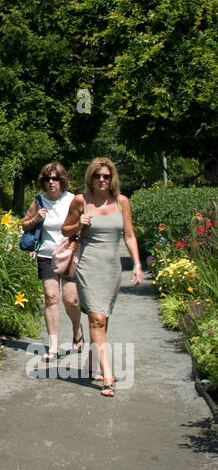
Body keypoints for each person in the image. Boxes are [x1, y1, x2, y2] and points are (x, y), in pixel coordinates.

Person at [61, 156, 142, 396]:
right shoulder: (80, 201)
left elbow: (129, 235)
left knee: (101, 320)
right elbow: (65, 228)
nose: (102, 180)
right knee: (96, 318)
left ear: (112, 178)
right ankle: (108, 376)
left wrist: (137, 264)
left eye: (106, 176)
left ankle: (91, 360)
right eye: (97, 176)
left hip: (111, 269)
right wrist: (78, 225)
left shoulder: (122, 202)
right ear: (91, 178)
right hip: (88, 266)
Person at [22, 162, 82, 363]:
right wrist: (36, 219)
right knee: (50, 297)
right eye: (47, 179)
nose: (51, 183)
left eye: (55, 179)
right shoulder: (39, 202)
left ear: (62, 180)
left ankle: (76, 329)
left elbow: (83, 223)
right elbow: (24, 224)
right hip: (46, 255)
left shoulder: (73, 200)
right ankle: (54, 345)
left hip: (69, 254)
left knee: (71, 299)